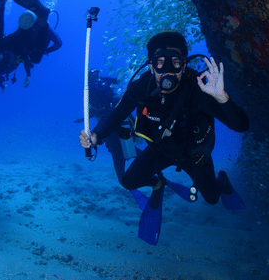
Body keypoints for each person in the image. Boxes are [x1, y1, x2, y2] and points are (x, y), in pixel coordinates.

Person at [79, 32, 249, 211]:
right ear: (151, 67)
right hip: (160, 151)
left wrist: (222, 97)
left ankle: (222, 180)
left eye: (175, 62)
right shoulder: (141, 87)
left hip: (195, 155)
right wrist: (96, 136)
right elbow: (116, 115)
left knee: (212, 198)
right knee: (128, 181)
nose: (167, 71)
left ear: (184, 66)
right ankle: (158, 182)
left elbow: (241, 126)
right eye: (160, 63)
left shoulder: (199, 89)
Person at [75, 69, 141, 182]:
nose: (97, 75)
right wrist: (92, 141)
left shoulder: (123, 111)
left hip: (122, 136)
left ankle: (152, 177)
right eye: (94, 74)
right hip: (112, 138)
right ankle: (136, 178)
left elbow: (116, 81)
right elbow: (100, 91)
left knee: (130, 156)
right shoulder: (91, 86)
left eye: (97, 73)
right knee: (119, 156)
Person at [0, 0, 62, 87]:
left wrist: (46, 51)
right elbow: (58, 43)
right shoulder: (47, 30)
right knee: (35, 59)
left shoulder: (48, 29)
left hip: (24, 32)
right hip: (25, 35)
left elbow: (59, 43)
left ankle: (2, 3)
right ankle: (2, 3)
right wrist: (46, 51)